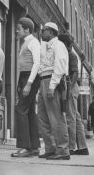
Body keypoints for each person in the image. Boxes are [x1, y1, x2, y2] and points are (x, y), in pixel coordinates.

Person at [38, 22, 70, 160]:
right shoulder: (45, 46)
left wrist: (52, 86)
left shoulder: (59, 45)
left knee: (56, 117)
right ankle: (50, 148)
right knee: (43, 117)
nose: (41, 32)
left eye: (43, 30)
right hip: (43, 80)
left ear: (51, 32)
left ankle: (63, 150)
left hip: (52, 81)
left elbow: (60, 66)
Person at [11, 18, 40, 158]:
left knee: (20, 109)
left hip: (30, 78)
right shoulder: (25, 43)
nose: (17, 30)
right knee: (28, 112)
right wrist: (20, 83)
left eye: (19, 28)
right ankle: (34, 147)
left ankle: (25, 147)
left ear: (27, 30)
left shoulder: (34, 42)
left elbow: (37, 64)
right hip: (24, 77)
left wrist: (28, 83)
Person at [59, 34, 89, 155]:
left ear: (65, 44)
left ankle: (71, 147)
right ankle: (82, 147)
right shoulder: (68, 54)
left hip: (71, 87)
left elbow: (75, 73)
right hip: (71, 87)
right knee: (75, 118)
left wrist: (69, 89)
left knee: (71, 119)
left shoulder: (71, 55)